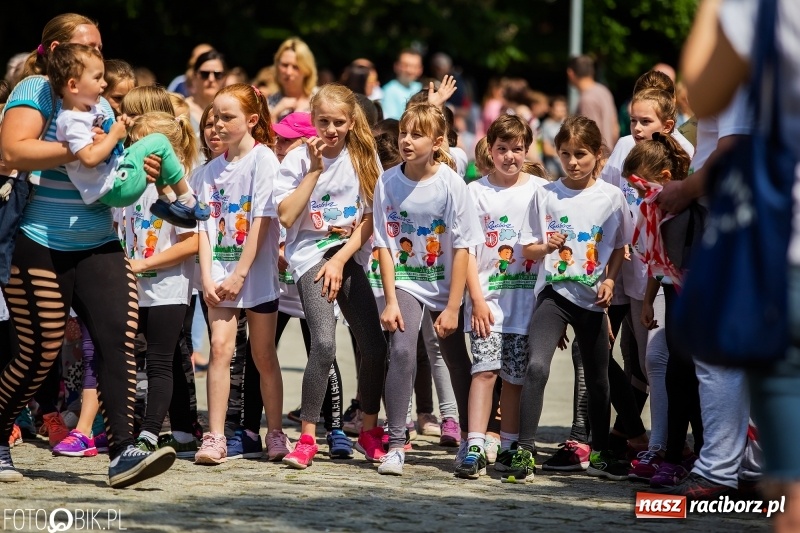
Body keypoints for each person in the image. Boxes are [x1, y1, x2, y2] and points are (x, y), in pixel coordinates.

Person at [0, 12, 175, 487]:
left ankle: (123, 452)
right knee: (39, 352)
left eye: (100, 46)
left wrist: (141, 165)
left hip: (99, 240)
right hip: (39, 243)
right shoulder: (34, 92)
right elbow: (12, 152)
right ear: (58, 52)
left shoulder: (96, 99)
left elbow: (111, 168)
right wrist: (81, 150)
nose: (100, 55)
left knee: (122, 340)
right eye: (89, 47)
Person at [504, 115, 633, 484]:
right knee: (537, 366)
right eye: (565, 154)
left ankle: (600, 452)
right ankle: (525, 451)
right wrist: (546, 246)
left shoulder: (612, 197)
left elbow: (620, 246)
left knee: (598, 379)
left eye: (581, 154)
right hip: (553, 296)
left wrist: (609, 281)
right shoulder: (545, 194)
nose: (573, 162)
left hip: (591, 301)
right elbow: (527, 247)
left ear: (598, 154)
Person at [276, 83, 387, 469]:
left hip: (348, 253)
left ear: (353, 122)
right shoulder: (295, 160)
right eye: (323, 121)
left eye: (339, 122)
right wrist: (315, 170)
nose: (331, 129)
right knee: (323, 344)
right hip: (309, 254)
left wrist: (341, 259)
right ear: (312, 119)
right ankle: (307, 437)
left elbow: (373, 217)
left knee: (374, 346)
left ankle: (370, 429)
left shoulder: (363, 155)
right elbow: (287, 217)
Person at [374, 102, 483, 476]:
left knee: (455, 358)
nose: (406, 140)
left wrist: (454, 307)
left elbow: (464, 247)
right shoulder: (387, 181)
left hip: (444, 283)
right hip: (405, 281)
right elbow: (384, 245)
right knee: (402, 351)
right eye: (404, 132)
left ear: (438, 142)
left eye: (416, 134)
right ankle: (394, 444)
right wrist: (390, 300)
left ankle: (471, 439)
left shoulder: (452, 185)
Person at [194, 84, 289, 464]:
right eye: (214, 115)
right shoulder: (206, 173)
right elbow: (203, 229)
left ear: (251, 120)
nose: (217, 123)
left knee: (263, 355)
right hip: (219, 272)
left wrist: (241, 274)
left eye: (227, 116)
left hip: (257, 275)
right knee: (219, 349)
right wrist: (207, 276)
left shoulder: (264, 160)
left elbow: (262, 222)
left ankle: (276, 432)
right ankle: (215, 436)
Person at [455, 114, 549, 479]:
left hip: (526, 303)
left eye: (517, 149)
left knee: (515, 377)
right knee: (485, 371)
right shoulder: (474, 192)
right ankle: (475, 443)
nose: (510, 156)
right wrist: (476, 300)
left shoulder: (541, 190)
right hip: (486, 302)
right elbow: (467, 250)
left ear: (527, 150)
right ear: (489, 150)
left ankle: (510, 444)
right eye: (502, 149)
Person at [115, 111, 201, 458]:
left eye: (142, 147)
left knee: (160, 361)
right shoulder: (126, 184)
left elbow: (193, 242)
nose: (133, 153)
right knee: (123, 360)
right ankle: (124, 430)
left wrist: (145, 264)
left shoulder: (181, 191)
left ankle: (150, 434)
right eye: (132, 145)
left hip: (167, 289)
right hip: (129, 287)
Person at [49, 43, 209, 228]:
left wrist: (117, 133)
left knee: (154, 156)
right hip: (114, 186)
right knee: (159, 141)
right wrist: (113, 136)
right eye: (97, 78)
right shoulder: (72, 120)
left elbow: (108, 149)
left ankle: (166, 201)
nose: (103, 83)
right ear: (73, 85)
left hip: (114, 180)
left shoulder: (88, 111)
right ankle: (187, 201)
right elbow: (90, 158)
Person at [567, 55, 619, 150]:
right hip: (608, 154)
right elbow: (615, 129)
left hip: (596, 158)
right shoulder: (604, 91)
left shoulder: (587, 99)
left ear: (570, 73)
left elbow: (589, 137)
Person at [268, 38, 318, 122]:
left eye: (296, 67)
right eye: (284, 65)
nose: (288, 72)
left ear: (307, 70)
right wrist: (275, 113)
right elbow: (264, 134)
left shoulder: (321, 99)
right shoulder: (270, 102)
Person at [185, 50, 226, 134]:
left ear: (224, 78)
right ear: (194, 77)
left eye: (217, 74)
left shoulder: (230, 111)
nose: (211, 79)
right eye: (205, 74)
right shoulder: (183, 109)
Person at [380, 49, 424, 120]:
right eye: (405, 65)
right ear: (396, 66)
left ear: (420, 69)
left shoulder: (420, 88)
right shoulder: (389, 90)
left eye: (414, 66)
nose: (409, 70)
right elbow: (391, 121)